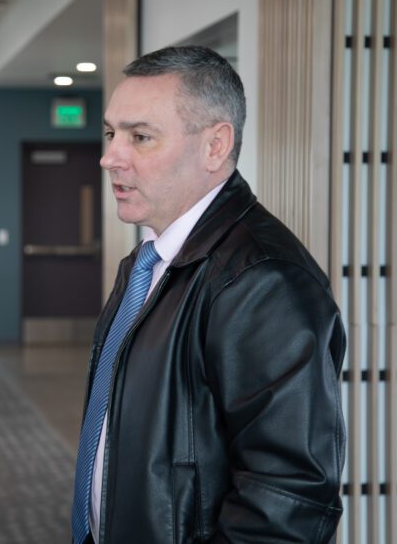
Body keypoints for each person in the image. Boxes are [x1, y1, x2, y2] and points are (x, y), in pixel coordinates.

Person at [71, 46, 345, 543]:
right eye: (112, 133)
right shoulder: (150, 260)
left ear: (215, 146)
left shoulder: (263, 280)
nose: (110, 156)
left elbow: (288, 497)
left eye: (141, 137)